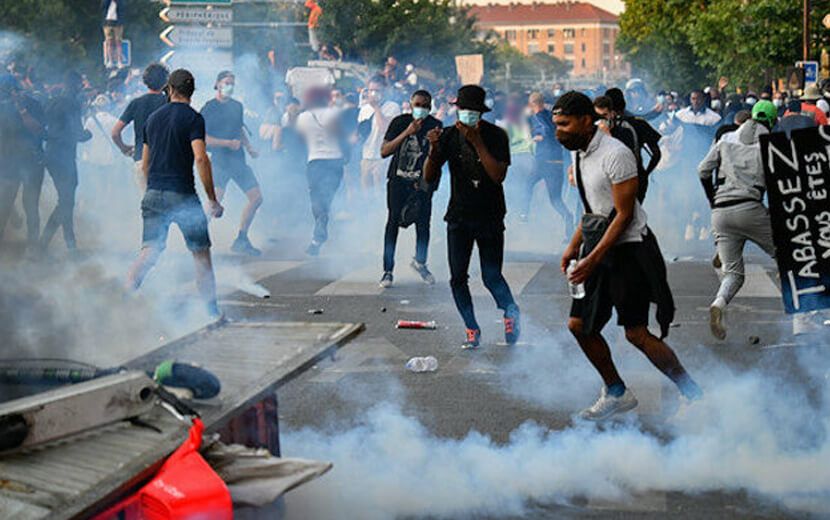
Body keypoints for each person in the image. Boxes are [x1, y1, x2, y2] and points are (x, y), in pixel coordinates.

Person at [554, 91, 701, 421]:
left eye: (564, 124)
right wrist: (574, 247)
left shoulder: (616, 154)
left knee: (636, 333)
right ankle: (616, 391)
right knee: (579, 325)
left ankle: (692, 392)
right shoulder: (579, 154)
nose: (558, 132)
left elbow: (623, 216)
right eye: (556, 124)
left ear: (585, 120)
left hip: (630, 251)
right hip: (597, 247)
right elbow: (594, 210)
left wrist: (591, 260)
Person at [424, 85, 521, 349]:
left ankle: (510, 310)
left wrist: (477, 142)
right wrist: (433, 149)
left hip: (490, 215)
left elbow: (498, 175)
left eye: (473, 112)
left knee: (491, 275)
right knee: (457, 277)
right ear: (457, 111)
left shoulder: (496, 136)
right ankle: (471, 327)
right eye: (464, 111)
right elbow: (429, 176)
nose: (467, 115)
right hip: (459, 216)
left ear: (481, 113)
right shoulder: (446, 136)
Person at [125, 69, 224, 318]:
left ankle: (124, 298)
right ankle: (212, 314)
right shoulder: (194, 119)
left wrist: (152, 192)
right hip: (183, 195)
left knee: (150, 251)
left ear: (169, 89)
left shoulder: (153, 118)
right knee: (201, 255)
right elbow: (201, 158)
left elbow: (145, 165)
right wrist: (212, 199)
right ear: (191, 92)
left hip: (154, 193)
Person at [698, 101, 777, 340]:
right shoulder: (771, 146)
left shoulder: (726, 140)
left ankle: (719, 304)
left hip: (721, 213)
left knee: (733, 273)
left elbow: (702, 170)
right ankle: (804, 317)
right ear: (772, 122)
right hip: (751, 208)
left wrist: (713, 199)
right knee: (788, 257)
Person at [379, 90, 442, 288]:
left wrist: (434, 144)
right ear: (410, 104)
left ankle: (420, 262)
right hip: (398, 181)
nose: (421, 108)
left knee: (423, 225)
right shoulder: (399, 122)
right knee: (392, 223)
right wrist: (407, 132)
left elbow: (437, 159)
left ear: (430, 108)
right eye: (418, 104)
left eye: (425, 105)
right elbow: (384, 151)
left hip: (421, 184)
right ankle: (387, 270)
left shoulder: (435, 126)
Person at [201, 71, 263, 256]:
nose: (230, 86)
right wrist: (227, 143)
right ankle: (196, 238)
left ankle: (242, 239)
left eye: (232, 83)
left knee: (256, 198)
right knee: (215, 203)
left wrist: (249, 147)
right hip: (220, 161)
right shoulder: (209, 108)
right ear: (217, 84)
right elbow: (202, 138)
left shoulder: (237, 106)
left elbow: (239, 129)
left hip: (238, 161)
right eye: (226, 83)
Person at [41, 71, 92, 255]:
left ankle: (59, 244)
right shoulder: (71, 103)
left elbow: (45, 127)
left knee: (65, 201)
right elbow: (78, 133)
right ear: (77, 85)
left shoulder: (53, 100)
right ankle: (61, 245)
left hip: (51, 154)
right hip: (63, 158)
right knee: (66, 201)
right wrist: (88, 135)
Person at [295, 87, 346, 256]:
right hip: (335, 161)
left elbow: (300, 141)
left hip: (315, 162)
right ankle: (320, 229)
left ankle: (319, 228)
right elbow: (343, 138)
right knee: (327, 197)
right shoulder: (335, 115)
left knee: (316, 199)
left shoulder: (303, 117)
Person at [522, 91, 573, 235]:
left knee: (528, 184)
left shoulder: (538, 117)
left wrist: (539, 137)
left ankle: (524, 213)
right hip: (556, 162)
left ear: (533, 104)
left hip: (545, 162)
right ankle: (568, 221)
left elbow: (546, 130)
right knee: (555, 199)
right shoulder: (552, 116)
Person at [112, 63, 168, 192]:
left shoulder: (136, 103)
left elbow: (115, 132)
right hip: (166, 161)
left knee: (149, 203)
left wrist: (124, 148)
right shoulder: (170, 103)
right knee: (169, 208)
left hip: (142, 159)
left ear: (145, 82)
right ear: (165, 82)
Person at [604, 88, 662, 202]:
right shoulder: (638, 123)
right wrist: (646, 173)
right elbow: (656, 154)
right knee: (635, 215)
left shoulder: (601, 127)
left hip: (609, 178)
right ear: (624, 103)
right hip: (636, 177)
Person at [358, 75, 401, 195]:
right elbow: (362, 132)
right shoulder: (364, 109)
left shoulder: (392, 107)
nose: (373, 93)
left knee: (380, 193)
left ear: (385, 91)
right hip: (366, 157)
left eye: (377, 90)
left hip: (383, 158)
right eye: (371, 90)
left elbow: (385, 129)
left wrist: (376, 108)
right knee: (366, 194)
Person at [101, 0, 125, 69]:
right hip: (108, 22)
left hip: (118, 22)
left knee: (118, 42)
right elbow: (103, 6)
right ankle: (110, 61)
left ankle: (119, 61)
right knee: (109, 42)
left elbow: (123, 7)